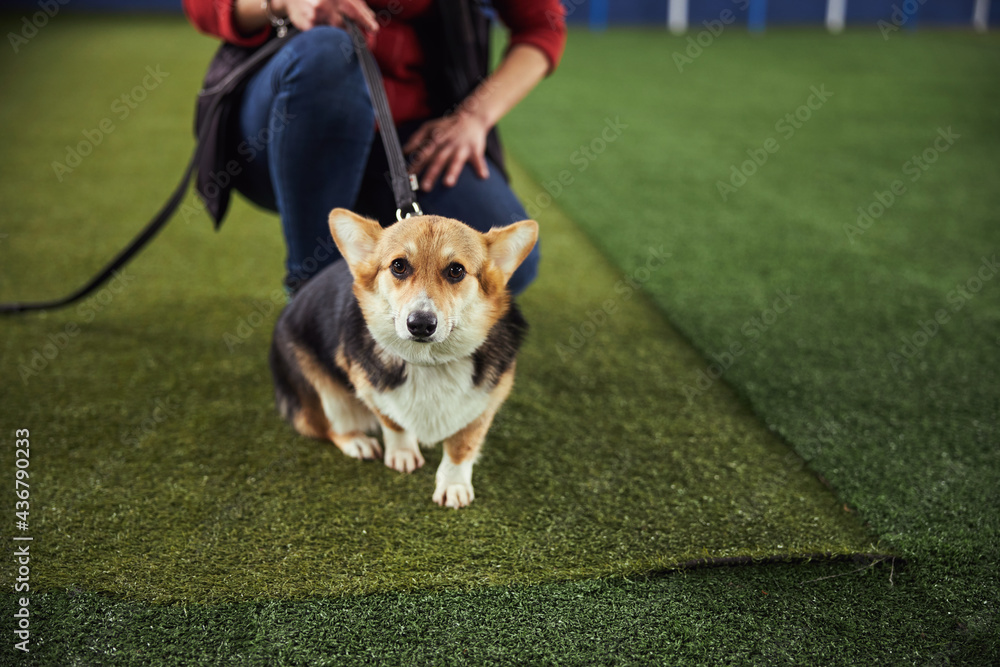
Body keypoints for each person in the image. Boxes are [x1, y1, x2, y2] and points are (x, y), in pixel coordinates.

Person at [182, 0, 566, 296]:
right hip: (281, 131)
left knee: (503, 269)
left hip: (408, 142)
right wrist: (283, 3)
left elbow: (542, 24)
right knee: (333, 51)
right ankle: (313, 294)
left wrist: (474, 117)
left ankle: (388, 303)